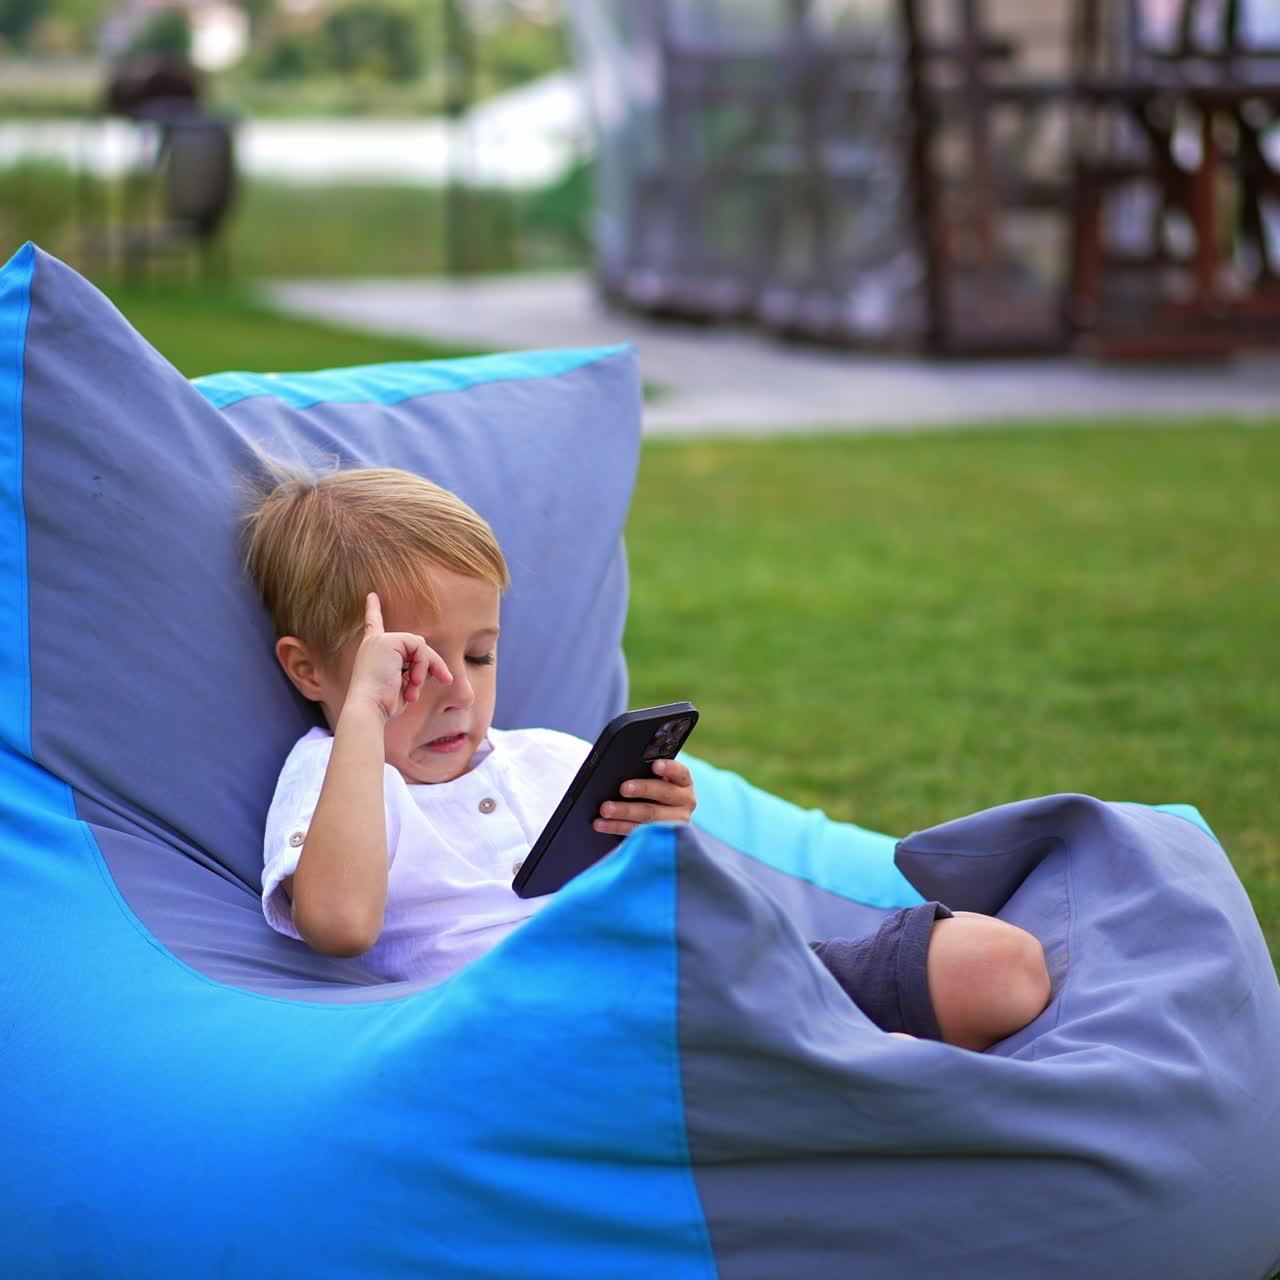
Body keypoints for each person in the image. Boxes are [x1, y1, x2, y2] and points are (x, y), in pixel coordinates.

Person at [243, 463, 1050, 1052]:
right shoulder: (336, 777)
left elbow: (679, 915)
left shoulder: (552, 760)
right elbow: (341, 925)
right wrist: (364, 717)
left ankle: (850, 1062)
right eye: (413, 668)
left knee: (997, 963)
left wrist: (662, 841)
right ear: (310, 670)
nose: (457, 691)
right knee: (880, 1064)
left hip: (701, 983)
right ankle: (860, 1078)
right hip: (574, 1036)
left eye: (481, 655)